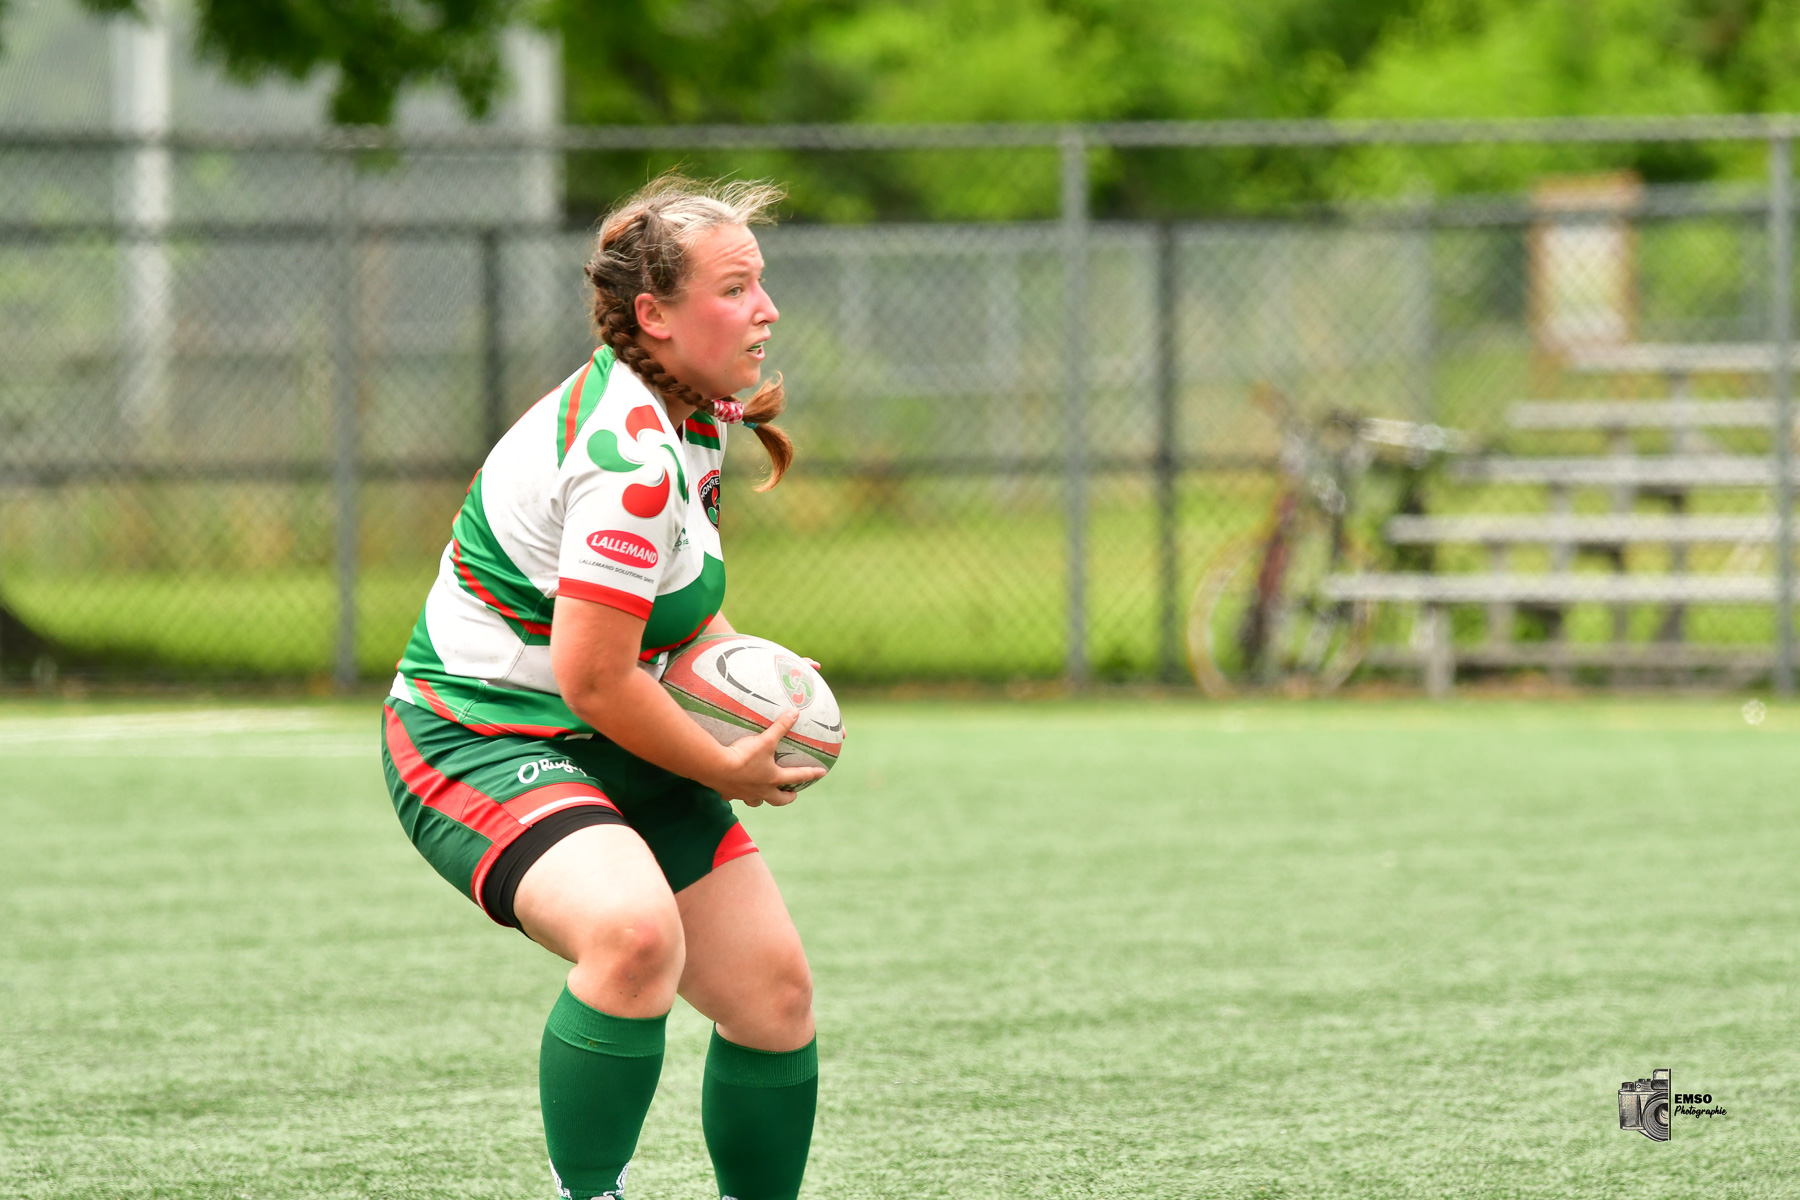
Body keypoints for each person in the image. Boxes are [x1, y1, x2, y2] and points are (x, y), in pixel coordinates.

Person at [379, 175, 823, 1200]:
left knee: (772, 995)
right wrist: (724, 763)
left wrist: (751, 680)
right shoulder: (626, 452)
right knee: (631, 938)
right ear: (654, 317)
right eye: (737, 288)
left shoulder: (693, 415)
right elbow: (591, 677)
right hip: (477, 733)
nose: (767, 309)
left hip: (608, 731)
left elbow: (677, 612)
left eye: (763, 284)